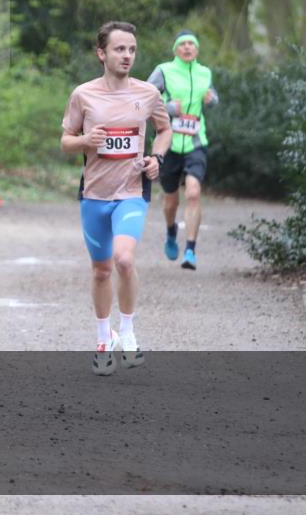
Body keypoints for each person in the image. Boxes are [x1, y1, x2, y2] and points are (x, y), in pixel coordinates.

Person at [61, 21, 171, 376]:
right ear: (101, 53)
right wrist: (84, 141)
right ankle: (102, 338)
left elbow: (164, 130)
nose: (127, 56)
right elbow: (66, 140)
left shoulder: (148, 94)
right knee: (101, 269)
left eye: (132, 50)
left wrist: (157, 159)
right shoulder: (83, 94)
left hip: (132, 192)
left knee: (124, 259)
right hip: (94, 193)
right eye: (120, 49)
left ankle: (128, 332)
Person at [147, 29, 219, 270]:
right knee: (171, 200)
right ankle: (170, 231)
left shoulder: (204, 72)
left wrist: (212, 100)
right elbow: (145, 97)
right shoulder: (164, 71)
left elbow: (212, 95)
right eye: (183, 44)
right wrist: (167, 107)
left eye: (192, 44)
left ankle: (190, 250)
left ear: (197, 50)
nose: (188, 47)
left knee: (193, 193)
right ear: (175, 49)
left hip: (196, 143)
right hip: (168, 143)